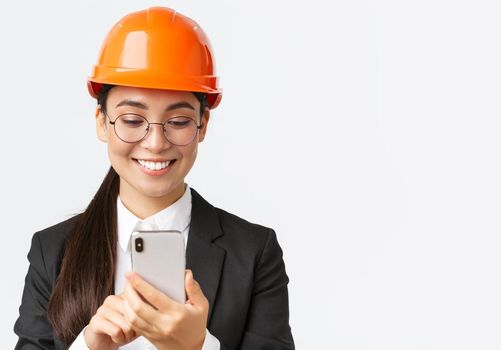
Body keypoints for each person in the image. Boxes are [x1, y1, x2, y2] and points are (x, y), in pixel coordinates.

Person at [13, 7, 294, 350]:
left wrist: (198, 346)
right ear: (102, 121)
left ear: (202, 125)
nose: (156, 143)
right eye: (132, 120)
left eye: (178, 121)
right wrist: (88, 346)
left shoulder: (252, 253)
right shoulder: (52, 251)